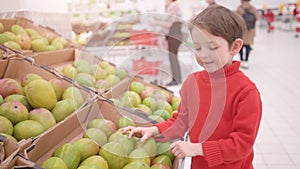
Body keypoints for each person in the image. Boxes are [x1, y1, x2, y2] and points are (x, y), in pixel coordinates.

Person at [122, 4, 262, 169]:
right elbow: (181, 121)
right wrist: (155, 130)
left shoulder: (246, 92)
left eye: (212, 47)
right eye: (198, 47)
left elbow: (241, 145)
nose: (203, 54)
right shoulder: (192, 83)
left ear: (235, 47)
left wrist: (198, 148)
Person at [164, 0, 183, 86]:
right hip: (175, 35)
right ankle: (176, 78)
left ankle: (176, 79)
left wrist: (154, 22)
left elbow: (168, 24)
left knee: (173, 57)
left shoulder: (173, 8)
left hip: (174, 35)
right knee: (173, 57)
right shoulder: (175, 7)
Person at [237, 0, 259, 69]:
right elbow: (257, 18)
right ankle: (246, 61)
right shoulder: (253, 8)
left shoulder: (239, 8)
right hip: (250, 30)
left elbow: (237, 19)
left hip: (242, 30)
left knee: (241, 45)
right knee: (248, 46)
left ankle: (241, 60)